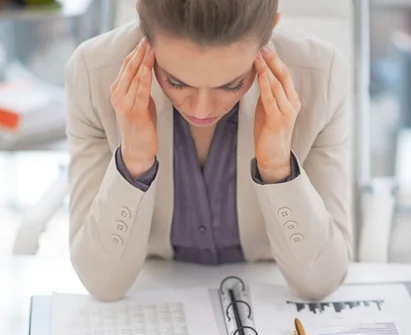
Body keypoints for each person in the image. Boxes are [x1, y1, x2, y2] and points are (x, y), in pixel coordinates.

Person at [65, 0, 351, 301]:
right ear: (143, 29)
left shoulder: (322, 76)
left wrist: (277, 167)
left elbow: (321, 282)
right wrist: (134, 160)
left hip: (265, 298)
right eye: (176, 82)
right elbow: (101, 283)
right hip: (155, 294)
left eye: (231, 85)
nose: (201, 110)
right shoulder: (91, 73)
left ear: (269, 33)